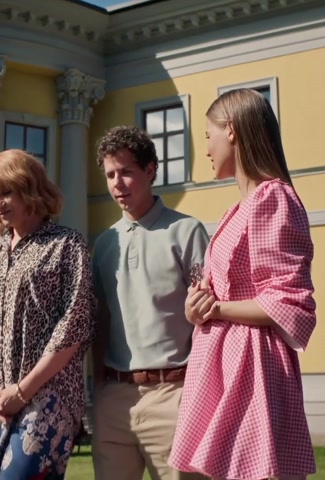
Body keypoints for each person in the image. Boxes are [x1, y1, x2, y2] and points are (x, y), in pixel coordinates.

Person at [168, 88, 318, 480]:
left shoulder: (273, 198)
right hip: (222, 363)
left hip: (251, 366)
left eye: (208, 136)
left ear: (232, 131)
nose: (206, 149)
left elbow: (288, 300)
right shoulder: (237, 210)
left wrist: (216, 309)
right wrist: (196, 306)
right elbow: (219, 291)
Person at [0, 149, 96, 480]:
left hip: (46, 399)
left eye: (6, 192)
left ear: (30, 188)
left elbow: (73, 326)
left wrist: (21, 392)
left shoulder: (66, 245)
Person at [91, 125, 210, 480]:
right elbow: (100, 320)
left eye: (126, 172)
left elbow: (209, 318)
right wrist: (99, 390)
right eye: (110, 175)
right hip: (113, 400)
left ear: (150, 170)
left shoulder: (187, 232)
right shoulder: (104, 244)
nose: (117, 183)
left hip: (175, 394)